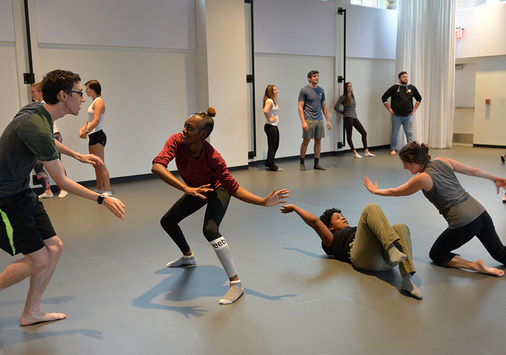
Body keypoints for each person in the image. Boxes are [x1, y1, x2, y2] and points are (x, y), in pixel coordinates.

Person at [0, 69, 126, 326]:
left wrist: (76, 155)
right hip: (4, 198)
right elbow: (62, 181)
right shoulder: (35, 123)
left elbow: (47, 140)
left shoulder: (38, 112)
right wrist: (103, 198)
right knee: (38, 259)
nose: (83, 99)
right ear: (63, 95)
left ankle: (31, 312)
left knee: (54, 248)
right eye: (79, 94)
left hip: (21, 192)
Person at [152, 107, 289, 305]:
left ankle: (236, 284)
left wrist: (262, 202)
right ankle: (188, 256)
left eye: (189, 128)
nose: (184, 130)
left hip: (218, 190)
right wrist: (187, 189)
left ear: (203, 134)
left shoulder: (214, 157)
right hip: (197, 189)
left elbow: (233, 188)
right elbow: (157, 166)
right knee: (168, 221)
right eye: (184, 126)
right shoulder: (176, 141)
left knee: (209, 229)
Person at [363, 141, 506, 277]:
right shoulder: (442, 160)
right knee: (500, 253)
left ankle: (475, 266)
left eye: (405, 164)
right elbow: (472, 171)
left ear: (414, 162)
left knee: (437, 254)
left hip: (464, 222)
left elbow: (397, 192)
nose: (405, 167)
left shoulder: (422, 178)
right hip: (481, 212)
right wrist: (495, 178)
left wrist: (375, 191)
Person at [280, 203, 422, 299]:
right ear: (330, 227)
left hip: (385, 259)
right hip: (364, 259)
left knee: (400, 226)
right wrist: (294, 208)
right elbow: (315, 222)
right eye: (337, 218)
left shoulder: (356, 230)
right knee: (370, 207)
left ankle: (406, 278)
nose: (343, 218)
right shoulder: (331, 239)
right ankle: (391, 247)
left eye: (342, 216)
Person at [30, 82, 68, 199]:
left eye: (33, 92)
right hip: (41, 138)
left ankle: (64, 188)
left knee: (57, 163)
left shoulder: (46, 105)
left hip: (53, 135)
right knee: (37, 165)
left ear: (40, 92)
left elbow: (48, 122)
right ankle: (48, 190)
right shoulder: (36, 106)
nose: (31, 94)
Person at [79, 80, 111, 196]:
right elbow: (90, 120)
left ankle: (107, 190)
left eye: (87, 88)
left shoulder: (99, 102)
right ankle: (99, 188)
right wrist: (82, 129)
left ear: (93, 90)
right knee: (95, 163)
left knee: (100, 164)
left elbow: (96, 121)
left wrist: (86, 131)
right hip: (92, 135)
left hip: (98, 135)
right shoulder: (93, 103)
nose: (86, 91)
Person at [298, 70, 332, 170]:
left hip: (319, 119)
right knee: (306, 141)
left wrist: (328, 120)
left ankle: (316, 163)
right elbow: (300, 107)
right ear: (309, 78)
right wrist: (303, 122)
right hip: (309, 119)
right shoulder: (304, 90)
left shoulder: (321, 90)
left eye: (317, 76)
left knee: (318, 141)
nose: (316, 78)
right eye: (314, 76)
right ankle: (302, 162)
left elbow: (324, 106)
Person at [381, 71, 422, 155]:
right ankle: (393, 149)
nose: (405, 78)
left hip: (408, 116)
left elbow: (419, 98)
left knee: (409, 134)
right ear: (399, 79)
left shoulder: (412, 88)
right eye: (403, 77)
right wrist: (389, 109)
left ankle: (411, 149)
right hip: (396, 115)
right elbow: (384, 98)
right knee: (394, 133)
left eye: (406, 76)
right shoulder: (394, 88)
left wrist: (414, 109)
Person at [334, 82, 375, 158]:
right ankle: (354, 152)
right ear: (345, 88)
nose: (350, 88)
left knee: (364, 133)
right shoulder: (343, 97)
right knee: (349, 135)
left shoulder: (352, 96)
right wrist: (343, 112)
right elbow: (336, 107)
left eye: (351, 86)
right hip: (348, 117)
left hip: (354, 117)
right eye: (348, 86)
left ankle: (366, 151)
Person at [263, 85, 282, 171]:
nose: (277, 91)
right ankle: (272, 166)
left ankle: (268, 162)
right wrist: (269, 119)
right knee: (272, 146)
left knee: (275, 145)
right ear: (270, 92)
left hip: (274, 126)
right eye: (275, 90)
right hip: (271, 126)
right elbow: (265, 110)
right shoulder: (269, 101)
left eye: (276, 89)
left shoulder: (273, 101)